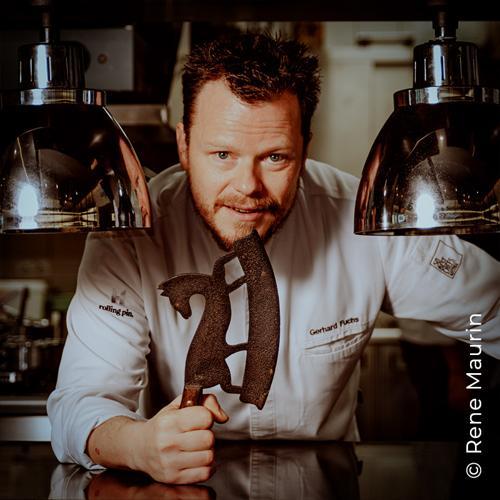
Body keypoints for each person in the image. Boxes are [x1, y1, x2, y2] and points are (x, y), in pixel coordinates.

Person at [48, 32, 500, 485]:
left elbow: (490, 308)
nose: (248, 186)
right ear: (183, 144)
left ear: (305, 147)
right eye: (222, 154)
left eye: (275, 157)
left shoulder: (359, 219)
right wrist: (139, 445)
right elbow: (80, 402)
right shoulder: (131, 235)